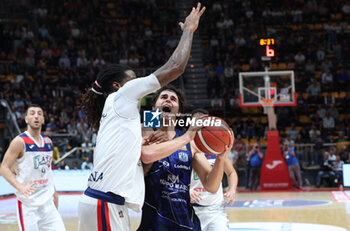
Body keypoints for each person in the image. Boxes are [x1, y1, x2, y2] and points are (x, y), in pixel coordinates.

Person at [78, 3, 206, 231]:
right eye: (134, 78)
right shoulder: (135, 106)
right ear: (118, 85)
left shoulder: (123, 116)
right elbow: (176, 66)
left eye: (172, 99)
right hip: (113, 202)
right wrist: (188, 30)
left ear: (179, 107)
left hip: (113, 202)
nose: (166, 100)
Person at [138, 86, 233, 230]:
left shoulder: (189, 142)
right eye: (163, 97)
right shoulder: (144, 131)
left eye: (173, 99)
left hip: (185, 223)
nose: (168, 100)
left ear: (179, 112)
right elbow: (147, 156)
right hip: (154, 222)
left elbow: (211, 186)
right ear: (154, 108)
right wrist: (186, 137)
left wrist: (220, 159)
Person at [0, 105, 66, 231]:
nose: (36, 116)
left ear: (43, 119)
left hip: (48, 204)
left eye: (39, 113)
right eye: (32, 113)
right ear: (26, 119)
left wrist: (54, 192)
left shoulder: (48, 142)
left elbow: (46, 171)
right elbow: (4, 168)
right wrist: (20, 187)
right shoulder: (19, 142)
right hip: (28, 205)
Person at [189, 109, 238, 231]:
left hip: (215, 209)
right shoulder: (184, 149)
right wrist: (187, 190)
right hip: (191, 208)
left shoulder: (215, 150)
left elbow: (231, 173)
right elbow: (174, 176)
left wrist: (232, 190)